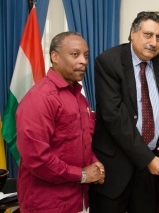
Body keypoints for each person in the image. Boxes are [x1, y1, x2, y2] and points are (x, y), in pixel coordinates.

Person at [89, 11, 159, 213]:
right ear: (132, 33)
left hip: (148, 169)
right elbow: (114, 117)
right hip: (115, 167)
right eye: (148, 34)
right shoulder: (108, 61)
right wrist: (147, 158)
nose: (154, 42)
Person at [16, 31, 105, 213]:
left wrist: (95, 164)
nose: (83, 61)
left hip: (78, 199)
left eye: (86, 55)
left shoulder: (79, 98)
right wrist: (82, 175)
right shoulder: (40, 98)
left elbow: (80, 142)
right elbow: (37, 159)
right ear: (54, 57)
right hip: (47, 204)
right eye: (75, 54)